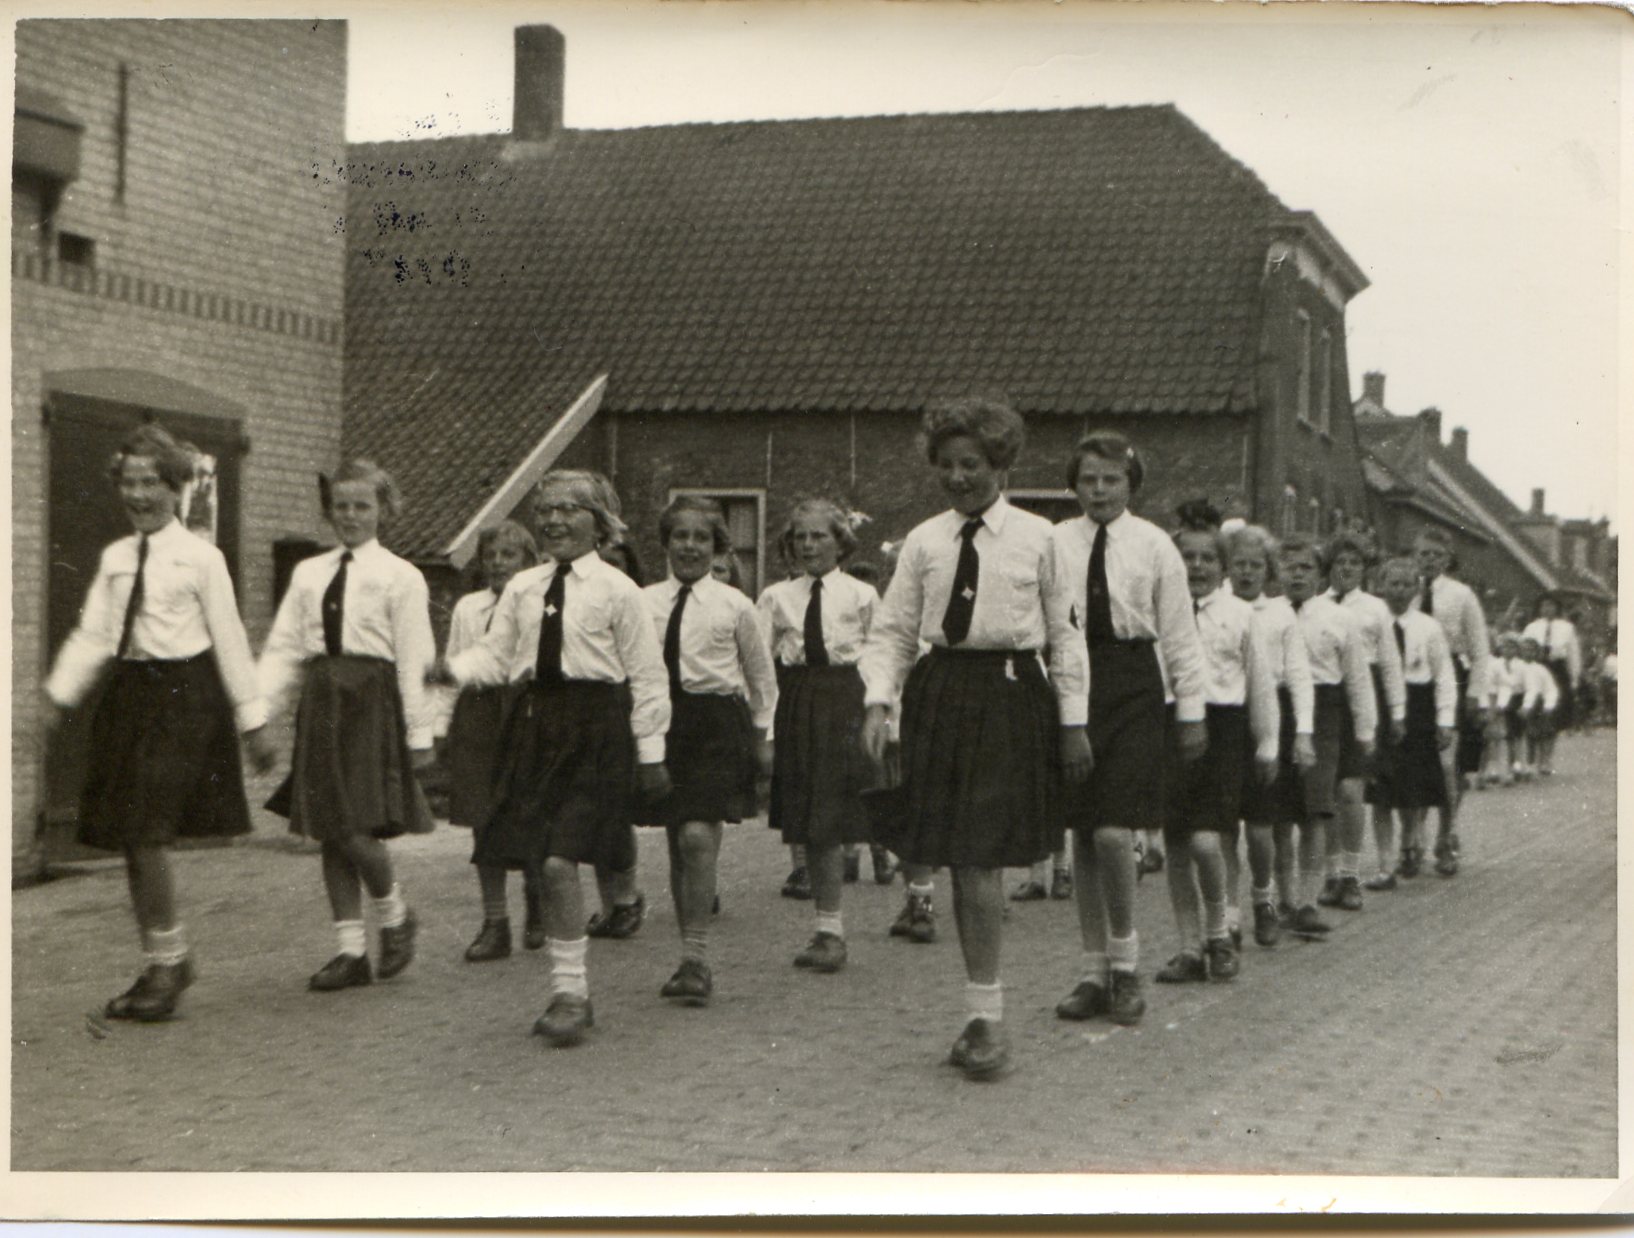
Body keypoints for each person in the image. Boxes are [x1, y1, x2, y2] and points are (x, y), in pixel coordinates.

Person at [860, 396, 1087, 1079]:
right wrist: (878, 702)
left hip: (1011, 695)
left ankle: (988, 1021)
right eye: (947, 465)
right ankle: (978, 1013)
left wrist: (1074, 722)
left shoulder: (1041, 539)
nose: (958, 477)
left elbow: (1067, 637)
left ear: (1001, 464)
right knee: (959, 858)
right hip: (941, 695)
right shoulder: (924, 541)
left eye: (972, 464)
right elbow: (894, 632)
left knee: (980, 857)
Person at [42, 423, 276, 1021]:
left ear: (176, 488)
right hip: (128, 697)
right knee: (130, 834)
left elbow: (229, 638)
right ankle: (165, 958)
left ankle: (168, 967)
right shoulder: (116, 558)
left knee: (146, 832)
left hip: (184, 699)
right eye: (129, 482)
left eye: (151, 483)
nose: (139, 495)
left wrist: (253, 722)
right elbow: (95, 634)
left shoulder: (202, 558)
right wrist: (59, 695)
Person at [436, 469, 671, 1046]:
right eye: (545, 509)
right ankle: (570, 992)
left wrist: (651, 752)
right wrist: (449, 671)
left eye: (569, 509)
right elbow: (497, 655)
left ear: (600, 521)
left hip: (596, 730)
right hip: (535, 727)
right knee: (545, 861)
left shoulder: (619, 590)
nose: (554, 520)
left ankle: (570, 994)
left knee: (562, 861)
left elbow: (647, 676)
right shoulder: (523, 588)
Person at [260, 459, 437, 992]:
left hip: (370, 702)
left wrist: (420, 733)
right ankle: (351, 951)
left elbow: (415, 657)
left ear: (383, 510)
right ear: (328, 510)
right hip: (322, 700)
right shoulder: (309, 574)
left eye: (362, 505)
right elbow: (285, 646)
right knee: (329, 828)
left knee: (354, 825)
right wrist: (259, 711)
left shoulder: (401, 576)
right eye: (341, 506)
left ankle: (395, 916)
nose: (351, 515)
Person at [1050, 431, 1205, 1029]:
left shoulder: (1155, 544)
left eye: (1111, 480)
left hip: (1135, 682)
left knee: (1115, 832)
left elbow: (1180, 634)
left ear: (1131, 484)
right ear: (1074, 485)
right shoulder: (1056, 542)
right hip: (1073, 677)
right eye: (1088, 480)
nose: (1099, 490)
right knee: (1084, 833)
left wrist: (1190, 710)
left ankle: (1126, 965)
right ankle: (1093, 972)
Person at [640, 497, 777, 1005]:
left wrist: (764, 739)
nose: (690, 546)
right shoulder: (643, 602)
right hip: (661, 723)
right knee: (678, 841)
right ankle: (688, 953)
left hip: (716, 725)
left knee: (698, 836)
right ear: (666, 543)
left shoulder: (736, 606)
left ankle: (696, 958)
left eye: (701, 538)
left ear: (717, 547)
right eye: (681, 536)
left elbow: (762, 679)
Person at [758, 498, 880, 974]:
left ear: (840, 542)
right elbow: (760, 668)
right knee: (814, 820)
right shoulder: (776, 597)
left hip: (847, 700)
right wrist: (766, 730)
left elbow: (882, 657)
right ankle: (829, 931)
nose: (808, 545)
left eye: (819, 536)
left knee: (847, 811)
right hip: (799, 701)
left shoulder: (862, 595)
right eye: (800, 537)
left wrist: (882, 716)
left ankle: (920, 899)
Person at [1156, 521, 1277, 983]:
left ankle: (1219, 932)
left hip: (1224, 733)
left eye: (1208, 558)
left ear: (1223, 568)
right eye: (1188, 557)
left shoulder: (1240, 615)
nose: (1197, 566)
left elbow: (1261, 683)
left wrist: (1267, 743)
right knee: (1177, 846)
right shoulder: (1159, 610)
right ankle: (1189, 947)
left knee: (1208, 843)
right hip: (1170, 728)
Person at [445, 521, 547, 962]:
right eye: (491, 556)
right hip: (479, 713)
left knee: (530, 811)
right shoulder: (468, 607)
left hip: (524, 710)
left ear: (529, 561)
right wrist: (440, 725)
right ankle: (495, 922)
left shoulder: (539, 603)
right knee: (481, 816)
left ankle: (538, 900)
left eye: (509, 555)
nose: (499, 563)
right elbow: (455, 663)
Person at [1277, 534, 1376, 939]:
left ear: (1320, 574)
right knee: (1277, 812)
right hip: (1276, 708)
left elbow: (1357, 677)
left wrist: (1365, 729)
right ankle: (1282, 899)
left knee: (1315, 809)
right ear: (1278, 572)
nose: (1298, 575)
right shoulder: (1267, 614)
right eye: (1290, 567)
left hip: (1324, 714)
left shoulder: (1339, 619)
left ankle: (1308, 902)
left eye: (1306, 568)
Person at [1226, 524, 1316, 949]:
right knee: (1223, 824)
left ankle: (1264, 901)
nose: (1247, 572)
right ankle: (1227, 916)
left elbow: (1298, 674)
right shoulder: (1215, 608)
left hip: (1271, 718)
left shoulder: (1280, 615)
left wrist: (1304, 733)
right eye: (1239, 564)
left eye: (1255, 565)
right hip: (1226, 713)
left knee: (1262, 825)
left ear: (1268, 570)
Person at [1322, 531, 1406, 912]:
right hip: (1326, 697)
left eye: (1354, 562)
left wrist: (1397, 712)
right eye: (1340, 562)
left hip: (1363, 698)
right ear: (1329, 566)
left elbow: (1390, 664)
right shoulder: (1315, 606)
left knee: (1352, 790)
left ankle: (1350, 874)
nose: (1346, 568)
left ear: (1364, 569)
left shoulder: (1375, 609)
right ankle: (1330, 873)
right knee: (1326, 791)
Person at [1366, 557, 1458, 883]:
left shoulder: (1428, 627)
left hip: (1419, 707)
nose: (1400, 591)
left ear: (1417, 589)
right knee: (1381, 790)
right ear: (1381, 586)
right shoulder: (1371, 621)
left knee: (1411, 786)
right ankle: (1384, 861)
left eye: (1407, 585)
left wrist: (1445, 719)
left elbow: (1444, 675)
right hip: (1380, 704)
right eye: (1393, 583)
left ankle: (1410, 843)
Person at [1411, 530, 1491, 868]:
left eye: (1436, 554)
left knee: (1449, 765)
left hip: (1454, 677)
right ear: (1414, 556)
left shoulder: (1462, 595)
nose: (1429, 560)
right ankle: (1413, 838)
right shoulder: (1404, 590)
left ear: (1447, 559)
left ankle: (1446, 834)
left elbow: (1480, 649)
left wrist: (1475, 694)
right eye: (1423, 554)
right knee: (1414, 762)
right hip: (1414, 678)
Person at [586, 539, 649, 940]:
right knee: (591, 810)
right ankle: (608, 903)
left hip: (625, 710)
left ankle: (626, 898)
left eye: (618, 565)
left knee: (616, 808)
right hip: (589, 714)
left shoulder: (638, 610)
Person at [1522, 596, 1581, 755]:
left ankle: (1546, 755)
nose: (1547, 609)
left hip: (1557, 670)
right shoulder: (1532, 627)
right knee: (1534, 710)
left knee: (1553, 714)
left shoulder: (1567, 627)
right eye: (1543, 606)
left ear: (1557, 608)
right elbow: (1523, 650)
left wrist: (1574, 678)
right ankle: (1532, 750)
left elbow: (1573, 654)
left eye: (1550, 606)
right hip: (1535, 668)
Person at [1474, 632, 1518, 792]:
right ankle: (1481, 774)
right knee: (1483, 740)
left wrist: (1501, 704)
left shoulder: (1497, 664)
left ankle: (1500, 772)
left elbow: (1506, 684)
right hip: (1478, 701)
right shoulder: (1473, 661)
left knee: (1497, 738)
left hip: (1493, 702)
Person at [1516, 635, 1560, 780]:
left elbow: (1551, 689)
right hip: (1519, 701)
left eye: (1531, 650)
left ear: (1536, 652)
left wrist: (1549, 704)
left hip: (1538, 704)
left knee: (1543, 733)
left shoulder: (1541, 669)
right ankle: (1526, 763)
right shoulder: (1517, 667)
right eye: (1524, 650)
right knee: (1525, 735)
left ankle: (1544, 761)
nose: (1527, 653)